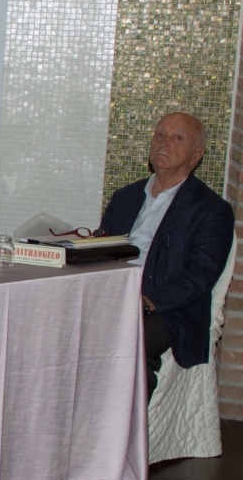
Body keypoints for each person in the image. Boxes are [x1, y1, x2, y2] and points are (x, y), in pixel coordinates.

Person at [99, 112, 234, 400]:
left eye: (177, 138)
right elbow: (101, 250)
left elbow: (199, 278)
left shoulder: (211, 210)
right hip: (116, 294)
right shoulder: (126, 197)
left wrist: (147, 301)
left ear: (196, 155)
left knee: (133, 340)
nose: (164, 142)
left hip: (167, 309)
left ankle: (125, 424)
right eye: (160, 134)